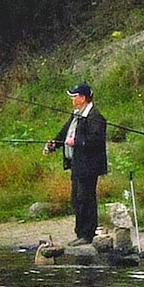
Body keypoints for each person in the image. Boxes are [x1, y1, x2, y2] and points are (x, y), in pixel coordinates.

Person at [45, 82, 108, 246]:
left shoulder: (95, 117)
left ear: (83, 98)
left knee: (86, 198)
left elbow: (96, 140)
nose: (72, 100)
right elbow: (64, 133)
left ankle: (88, 234)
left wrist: (77, 141)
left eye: (75, 96)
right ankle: (80, 232)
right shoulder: (76, 115)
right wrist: (54, 144)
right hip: (77, 164)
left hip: (89, 165)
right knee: (76, 199)